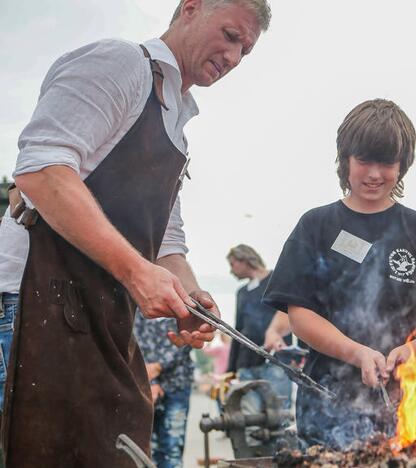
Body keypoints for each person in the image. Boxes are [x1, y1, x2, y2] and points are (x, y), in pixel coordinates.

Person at [0, 1, 270, 465]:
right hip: (28, 307)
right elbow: (42, 170)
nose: (233, 57)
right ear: (190, 8)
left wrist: (190, 296)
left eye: (245, 50)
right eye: (229, 35)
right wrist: (135, 272)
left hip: (98, 320)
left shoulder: (177, 131)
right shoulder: (120, 63)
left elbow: (166, 242)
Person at [262, 99, 416, 449]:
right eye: (364, 160)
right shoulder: (316, 225)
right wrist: (357, 352)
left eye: (386, 162)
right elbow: (300, 317)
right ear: (345, 159)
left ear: (402, 165)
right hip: (328, 402)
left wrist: (415, 348)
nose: (374, 174)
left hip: (414, 406)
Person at [226, 244, 293, 410]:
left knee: (279, 417)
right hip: (246, 364)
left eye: (233, 264)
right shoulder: (241, 292)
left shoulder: (277, 280)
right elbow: (238, 330)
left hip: (276, 362)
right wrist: (232, 368)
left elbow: (295, 315)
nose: (231, 271)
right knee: (248, 417)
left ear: (245, 260)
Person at [134, 314, 195, 468]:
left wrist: (158, 366)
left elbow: (185, 342)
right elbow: (134, 343)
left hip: (177, 386)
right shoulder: (136, 311)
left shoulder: (181, 307)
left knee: (172, 448)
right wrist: (150, 381)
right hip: (145, 387)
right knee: (148, 450)